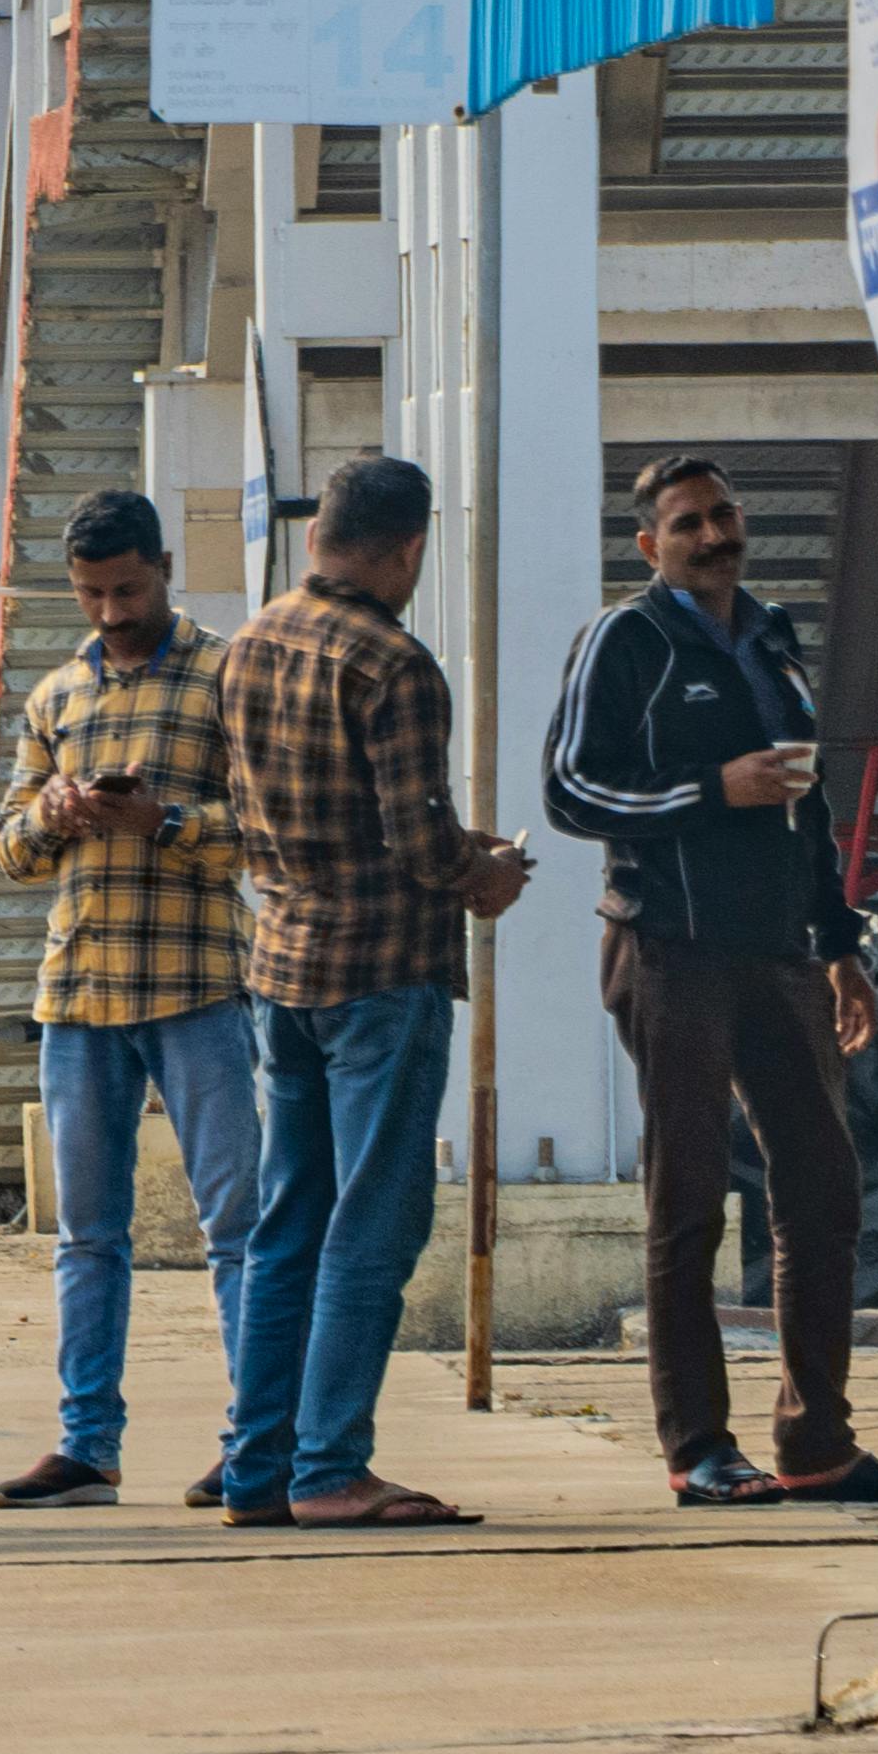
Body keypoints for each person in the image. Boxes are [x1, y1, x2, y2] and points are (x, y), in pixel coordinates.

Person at [540, 454, 878, 1509]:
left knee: (822, 1191)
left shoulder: (769, 633)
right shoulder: (626, 639)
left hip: (781, 955)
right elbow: (570, 789)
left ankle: (817, 1442)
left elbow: (807, 803)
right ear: (648, 544)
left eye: (722, 515)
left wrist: (840, 946)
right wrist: (713, 787)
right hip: (670, 947)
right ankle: (698, 1446)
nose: (712, 536)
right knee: (690, 1200)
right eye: (687, 523)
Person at [203, 449, 535, 1529]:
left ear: (316, 534)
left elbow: (272, 811)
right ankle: (330, 1466)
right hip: (382, 975)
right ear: (409, 548)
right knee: (371, 1226)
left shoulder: (247, 644)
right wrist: (484, 871)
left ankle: (256, 1466)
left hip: (282, 968)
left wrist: (449, 848)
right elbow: (417, 843)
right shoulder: (394, 665)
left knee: (286, 1225)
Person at [0, 489, 252, 1510]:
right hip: (80, 992)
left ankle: (257, 1438)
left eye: (126, 589)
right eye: (90, 593)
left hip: (198, 984)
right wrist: (51, 813)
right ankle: (86, 1446)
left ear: (164, 568)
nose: (109, 610)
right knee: (86, 1236)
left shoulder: (225, 675)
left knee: (237, 1224)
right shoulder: (55, 695)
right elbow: (9, 852)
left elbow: (263, 831)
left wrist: (162, 820)